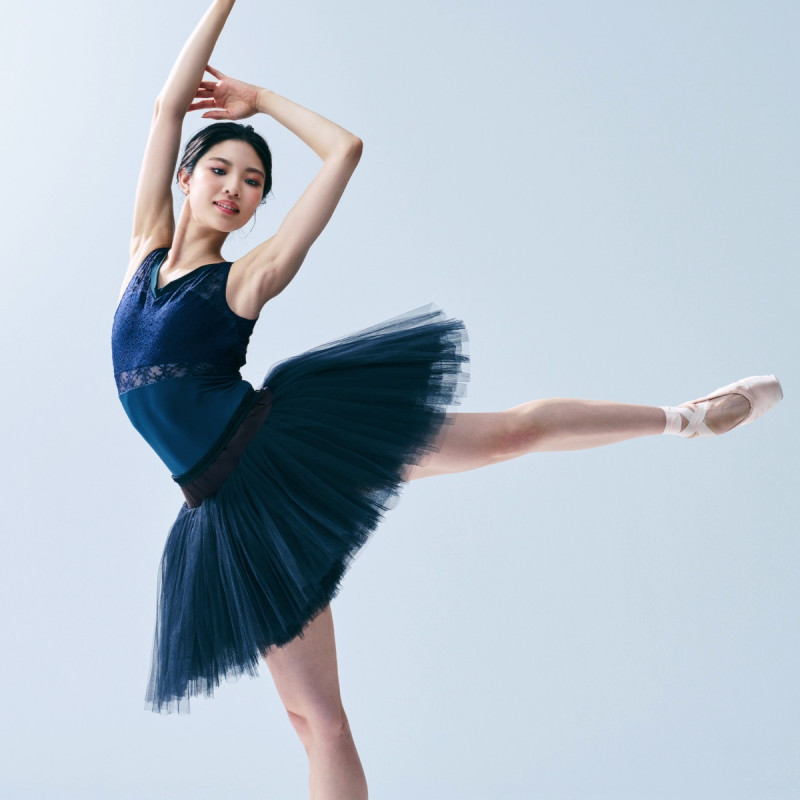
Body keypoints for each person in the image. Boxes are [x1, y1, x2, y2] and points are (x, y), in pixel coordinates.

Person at [111, 1, 783, 797]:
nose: (235, 187)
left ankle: (688, 418)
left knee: (511, 434)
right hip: (225, 512)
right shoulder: (144, 248)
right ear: (185, 178)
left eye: (253, 181)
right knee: (314, 719)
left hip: (283, 452)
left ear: (259, 206)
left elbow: (344, 149)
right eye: (221, 170)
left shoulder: (248, 278)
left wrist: (262, 101)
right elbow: (167, 107)